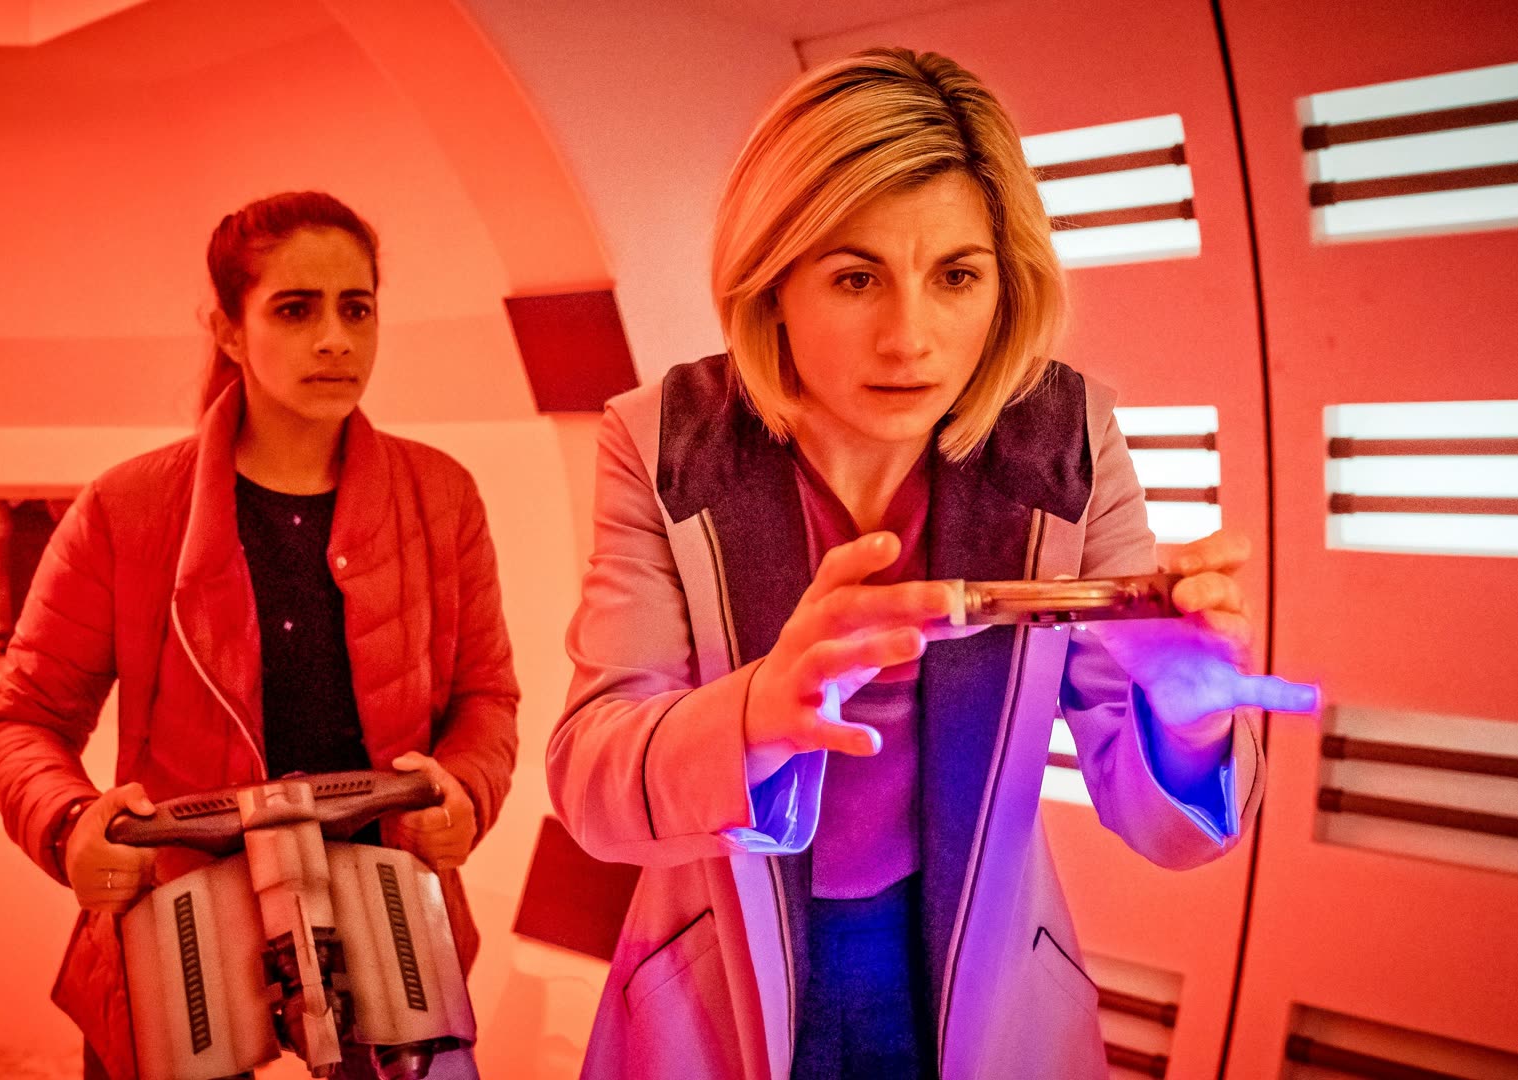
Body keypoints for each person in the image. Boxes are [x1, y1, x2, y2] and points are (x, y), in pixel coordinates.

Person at [548, 48, 1317, 1080]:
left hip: (985, 980)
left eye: (956, 276)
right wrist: (758, 709)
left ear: (1004, 287)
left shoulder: (1066, 442)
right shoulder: (664, 441)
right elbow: (590, 782)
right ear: (773, 285)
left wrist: (1187, 723)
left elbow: (1170, 832)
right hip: (716, 978)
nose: (910, 338)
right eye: (856, 277)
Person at [0, 191, 519, 1080]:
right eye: (296, 310)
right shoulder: (127, 507)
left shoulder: (441, 496)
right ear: (228, 330)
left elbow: (484, 698)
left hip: (387, 911)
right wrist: (71, 825)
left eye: (356, 309)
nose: (335, 339)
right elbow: (25, 719)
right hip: (178, 916)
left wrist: (464, 790)